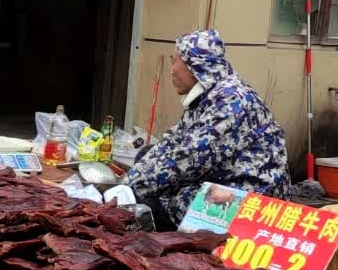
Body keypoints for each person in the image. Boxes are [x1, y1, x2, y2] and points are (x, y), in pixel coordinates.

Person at [124, 29, 290, 227]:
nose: (171, 69)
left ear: (196, 66)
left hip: (255, 195)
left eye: (175, 61)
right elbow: (173, 142)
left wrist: (127, 189)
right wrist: (130, 179)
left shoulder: (231, 102)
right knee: (148, 156)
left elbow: (186, 159)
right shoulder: (207, 96)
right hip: (225, 175)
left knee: (176, 201)